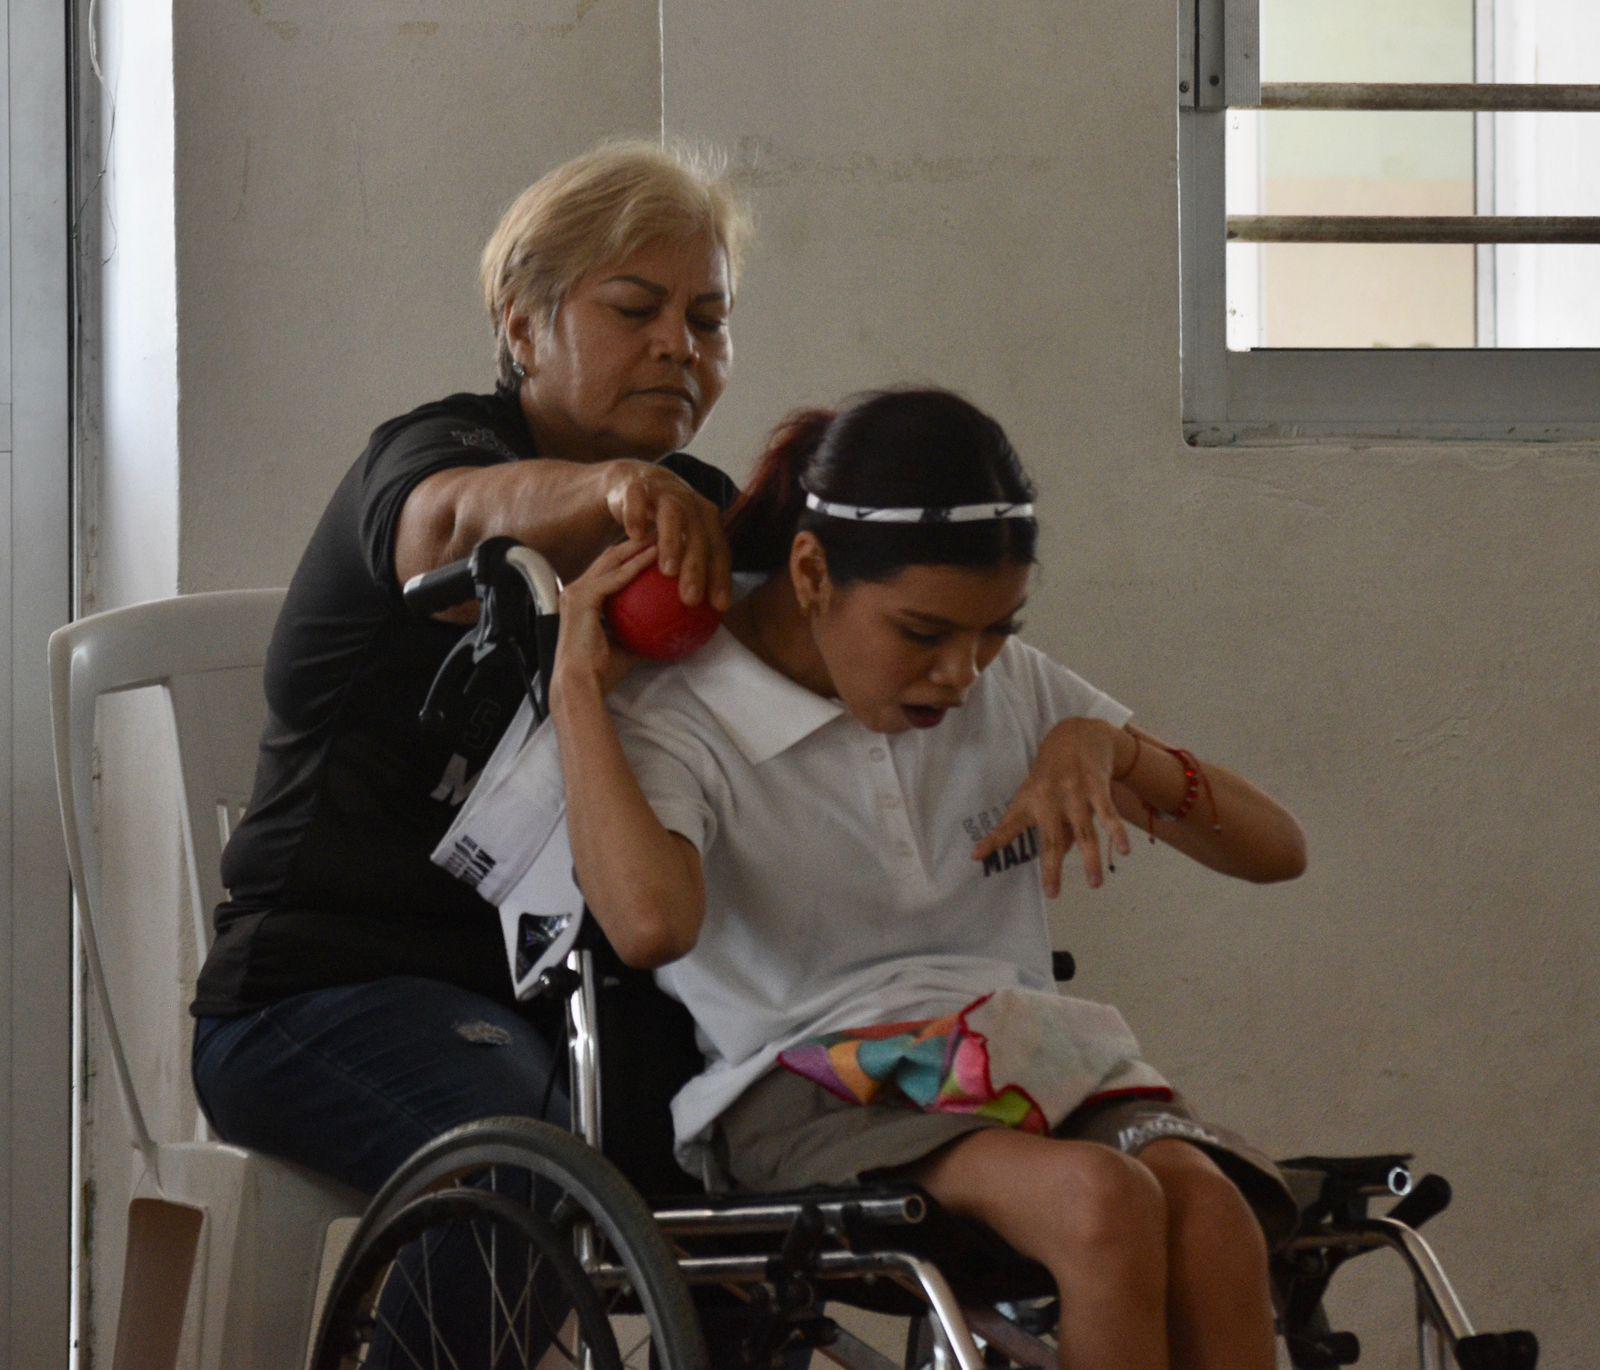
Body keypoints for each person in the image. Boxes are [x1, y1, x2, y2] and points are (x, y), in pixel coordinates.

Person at [546, 388, 1309, 1370]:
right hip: (809, 1087)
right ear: (813, 571)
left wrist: (1114, 749)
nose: (961, 671)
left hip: (1017, 1056)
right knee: (1101, 1203)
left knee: (1213, 1216)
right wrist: (576, 692)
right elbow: (649, 925)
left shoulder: (1008, 683)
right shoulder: (680, 714)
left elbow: (1276, 849)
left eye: (993, 631)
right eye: (922, 634)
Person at [189, 139, 748, 1208]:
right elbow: (449, 529)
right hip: (315, 996)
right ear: (523, 325)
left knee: (766, 1141)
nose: (679, 346)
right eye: (636, 309)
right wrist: (614, 487)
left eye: (708, 321)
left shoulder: (700, 510)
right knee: (538, 1173)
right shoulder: (433, 453)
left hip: (562, 1006)